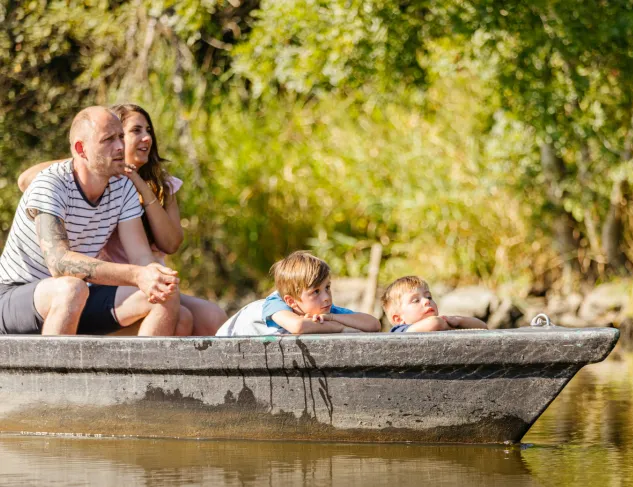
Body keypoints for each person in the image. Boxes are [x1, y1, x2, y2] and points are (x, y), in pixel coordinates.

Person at [17, 104, 227, 336]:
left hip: (107, 287)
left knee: (188, 306)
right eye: (134, 131)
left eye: (147, 130)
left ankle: (139, 372)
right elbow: (59, 261)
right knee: (71, 289)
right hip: (64, 287)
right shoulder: (60, 180)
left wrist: (138, 183)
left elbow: (166, 246)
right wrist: (90, 159)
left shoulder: (138, 186)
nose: (145, 137)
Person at [216, 251, 380, 335]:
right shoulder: (276, 303)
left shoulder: (323, 311)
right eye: (315, 292)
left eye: (327, 288)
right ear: (292, 302)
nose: (326, 297)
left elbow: (373, 324)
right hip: (224, 348)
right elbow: (298, 326)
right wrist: (340, 328)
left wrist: (331, 317)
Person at [381, 276, 488, 332]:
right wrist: (450, 326)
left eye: (429, 297)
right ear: (399, 319)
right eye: (416, 300)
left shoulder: (442, 323)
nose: (426, 301)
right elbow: (434, 323)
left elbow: (482, 327)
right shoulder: (401, 331)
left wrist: (459, 320)